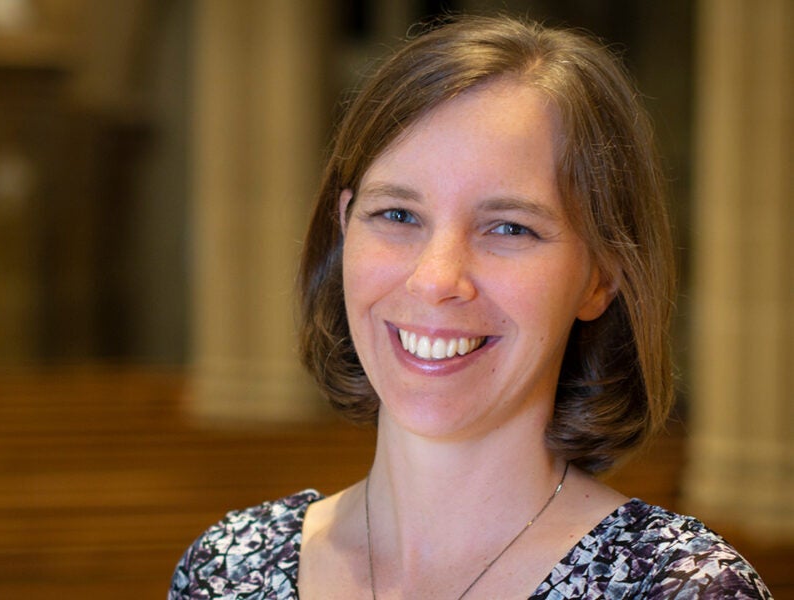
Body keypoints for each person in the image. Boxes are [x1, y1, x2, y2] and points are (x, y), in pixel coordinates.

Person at [169, 14, 772, 600]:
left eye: (509, 228)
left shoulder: (680, 589)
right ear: (343, 228)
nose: (436, 280)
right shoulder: (228, 571)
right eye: (398, 215)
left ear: (601, 277)